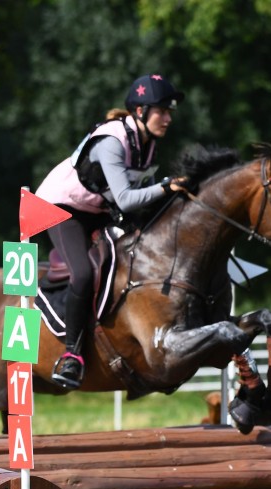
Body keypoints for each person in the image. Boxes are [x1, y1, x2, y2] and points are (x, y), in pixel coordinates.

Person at [35, 74, 187, 389]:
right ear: (142, 111)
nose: (169, 118)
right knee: (82, 274)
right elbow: (127, 199)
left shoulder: (147, 146)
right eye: (162, 110)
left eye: (169, 111)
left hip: (97, 210)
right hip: (60, 208)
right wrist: (166, 186)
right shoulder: (112, 141)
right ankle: (72, 355)